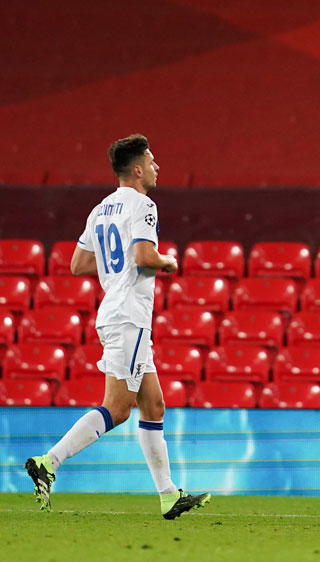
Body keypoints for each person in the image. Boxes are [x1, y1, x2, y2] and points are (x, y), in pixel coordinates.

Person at [24, 134, 211, 519]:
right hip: (129, 316)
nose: (158, 168)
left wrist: (118, 265)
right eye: (153, 161)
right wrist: (167, 261)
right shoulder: (144, 205)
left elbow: (77, 264)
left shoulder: (101, 210)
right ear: (138, 169)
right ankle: (49, 461)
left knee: (154, 405)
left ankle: (168, 495)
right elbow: (144, 256)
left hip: (118, 313)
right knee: (119, 408)